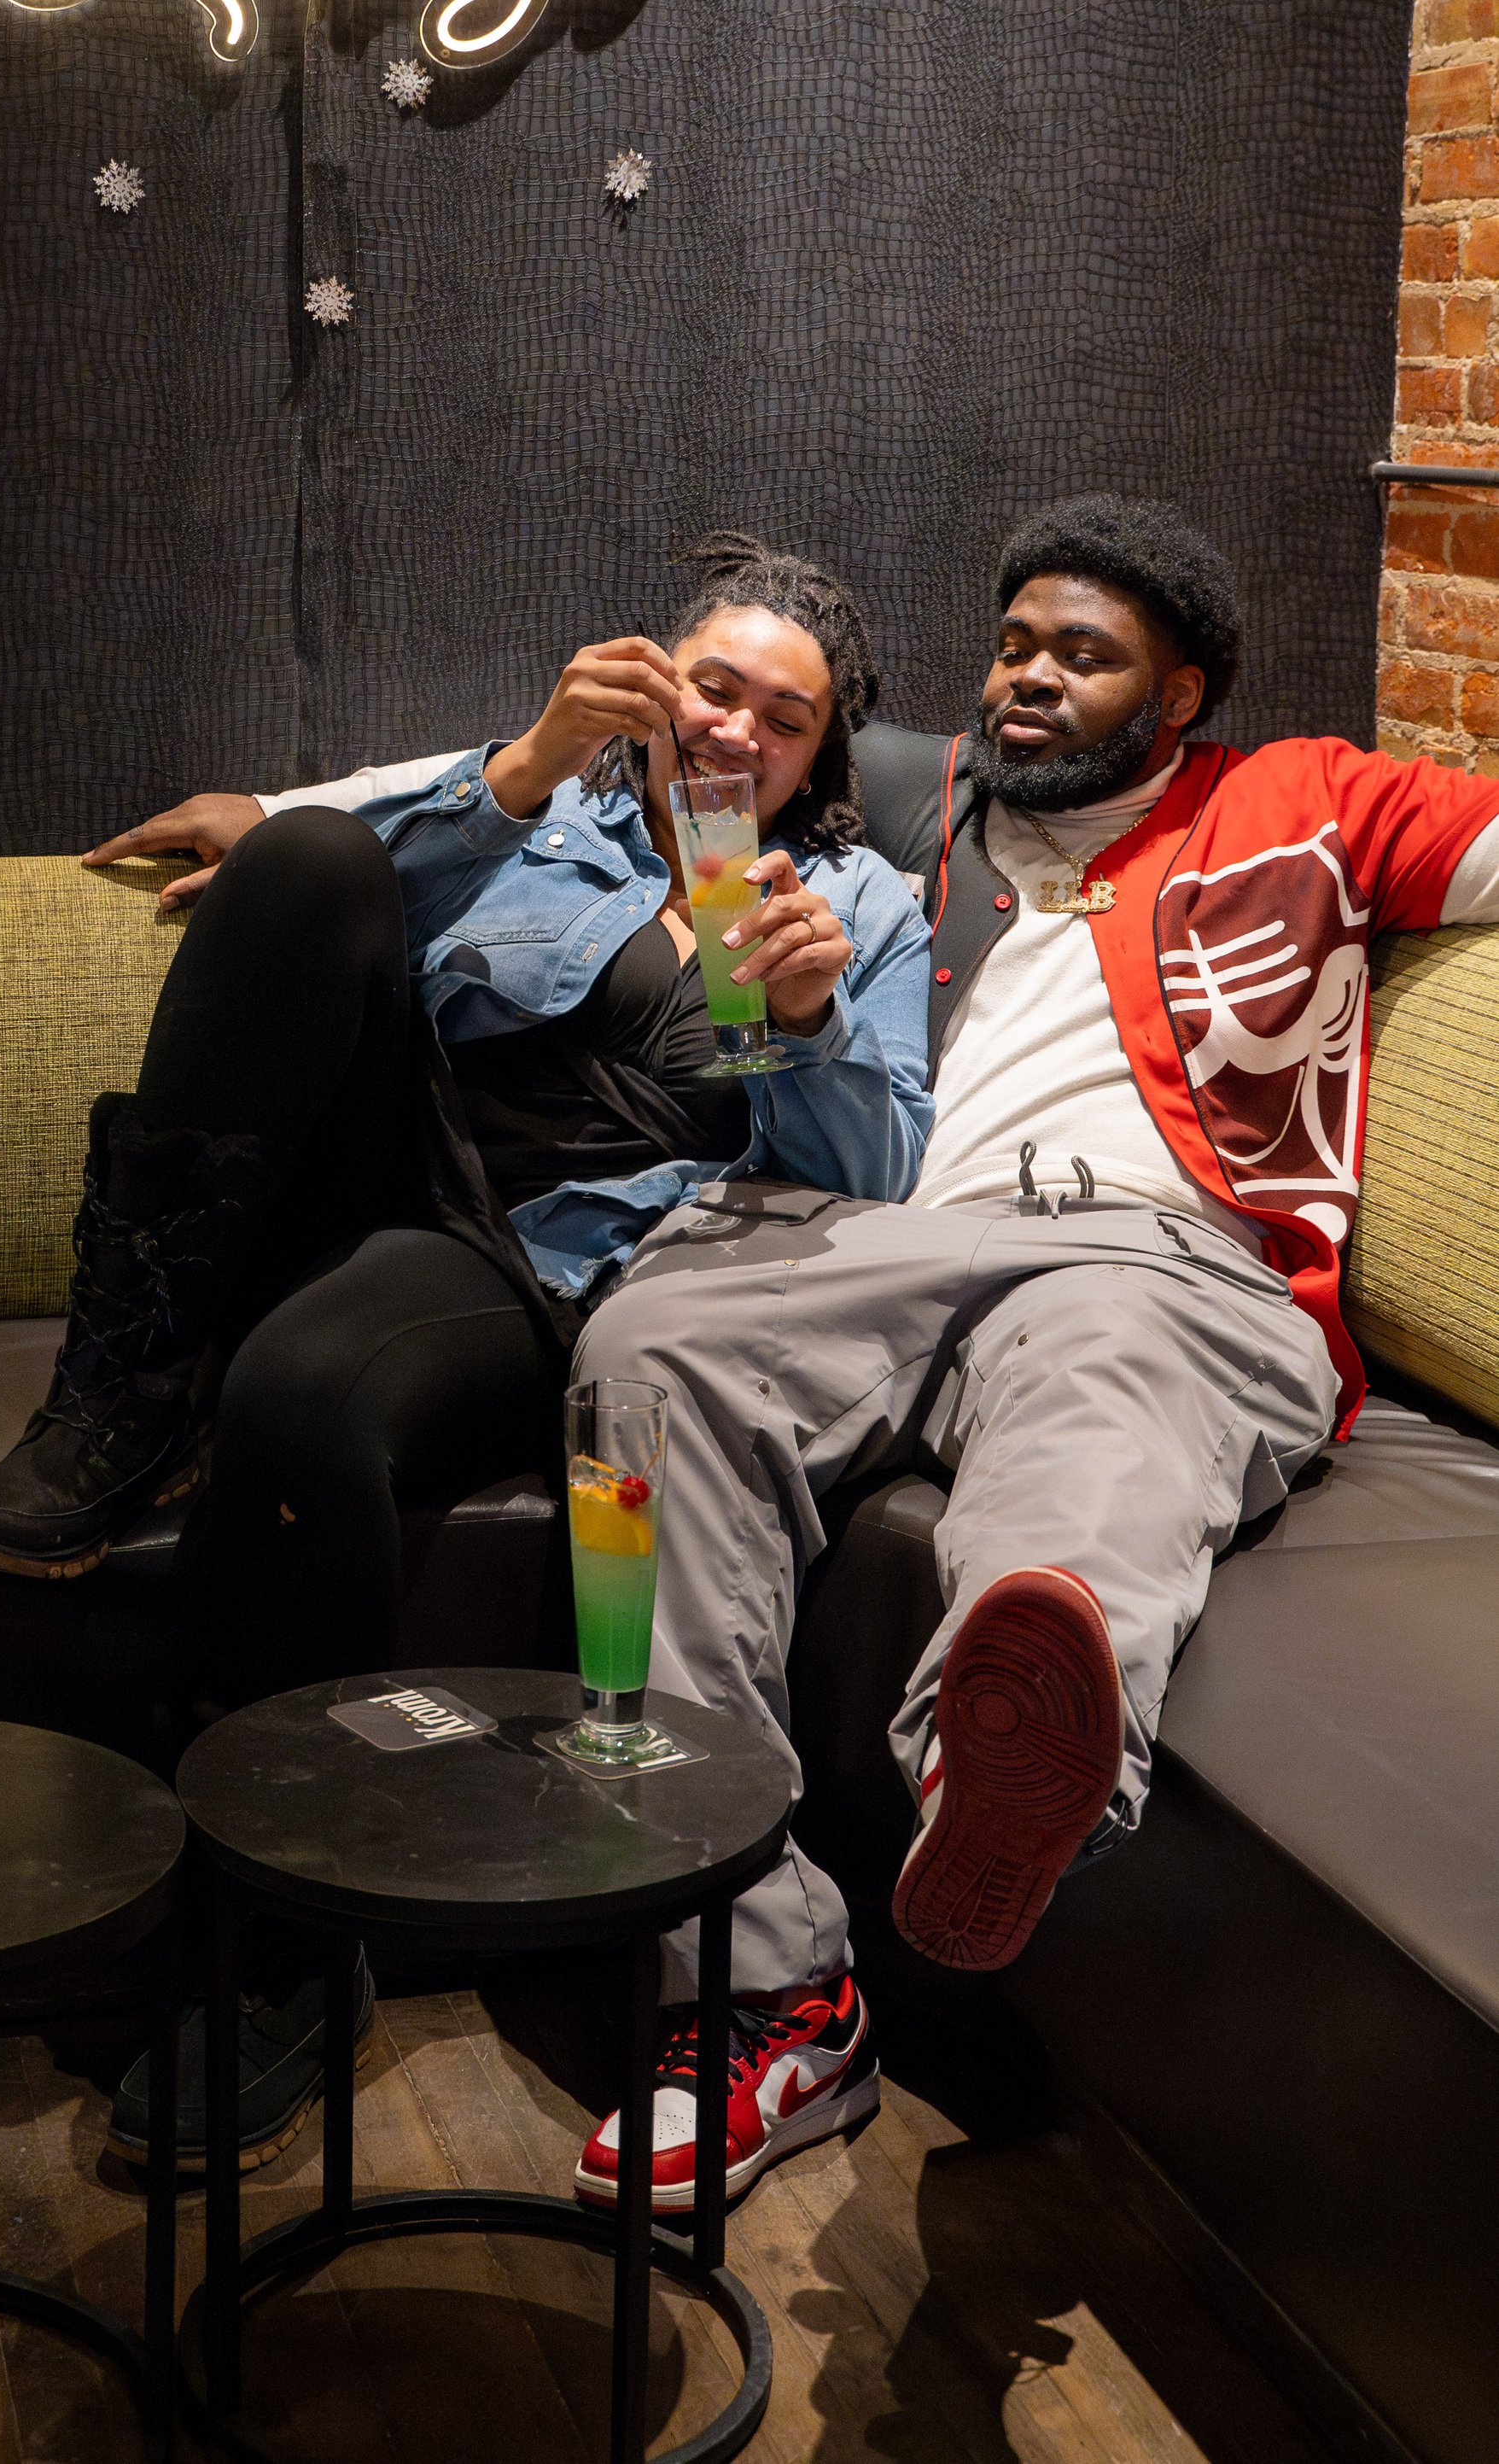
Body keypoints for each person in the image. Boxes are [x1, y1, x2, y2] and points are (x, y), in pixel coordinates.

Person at [173, 494, 1499, 2223]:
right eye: (1012, 644)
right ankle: (759, 1981)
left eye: (1079, 657)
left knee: (1098, 1383)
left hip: (1155, 1248)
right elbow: (671, 741)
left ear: (1176, 698)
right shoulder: (922, 807)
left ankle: (999, 1756)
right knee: (656, 1337)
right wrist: (286, 814)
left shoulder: (1309, 799)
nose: (1027, 679)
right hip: (890, 1247)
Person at [0, 534, 933, 2173]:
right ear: (649, 684)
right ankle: (115, 1380)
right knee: (320, 857)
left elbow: (876, 1173)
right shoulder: (545, 810)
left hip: (530, 1265)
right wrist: (520, 769)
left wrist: (816, 1024)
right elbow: (301, 899)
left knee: (303, 1399)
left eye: (788, 713)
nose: (738, 729)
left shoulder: (851, 905)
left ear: (823, 754)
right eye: (714, 684)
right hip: (367, 1161)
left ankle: (288, 1956)